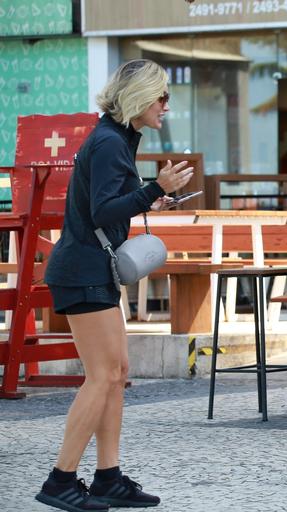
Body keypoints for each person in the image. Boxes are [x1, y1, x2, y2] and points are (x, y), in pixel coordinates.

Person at [37, 59, 193, 512]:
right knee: (103, 376)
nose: (166, 104)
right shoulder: (108, 143)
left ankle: (108, 477)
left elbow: (107, 205)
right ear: (139, 98)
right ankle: (60, 480)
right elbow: (103, 211)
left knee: (117, 373)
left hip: (93, 270)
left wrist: (152, 196)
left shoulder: (117, 140)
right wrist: (152, 188)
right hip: (82, 271)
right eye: (161, 96)